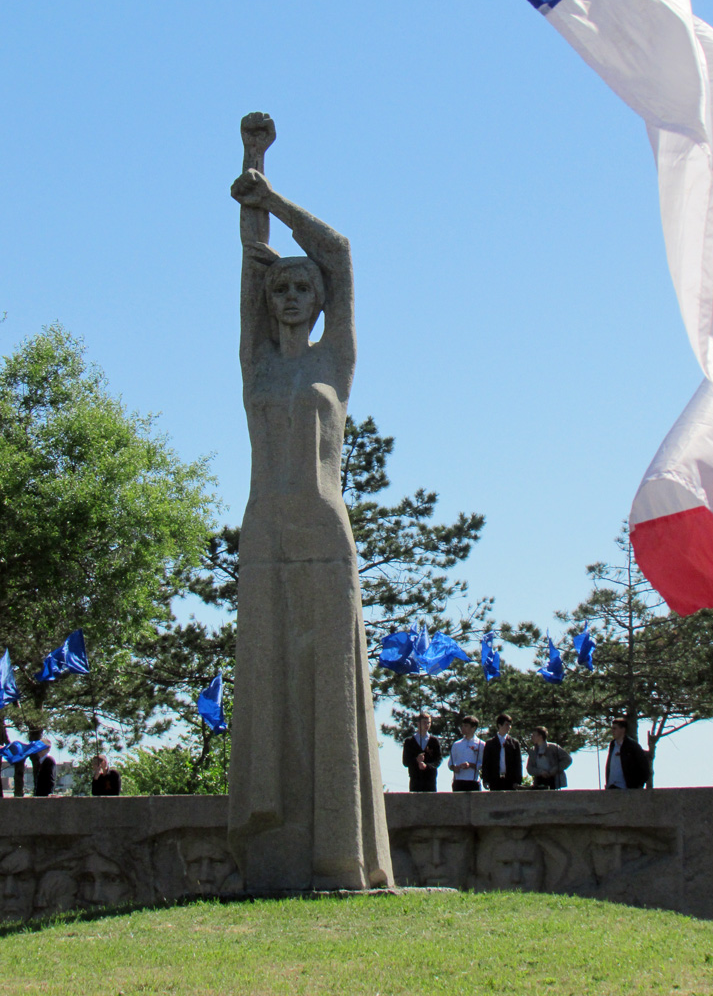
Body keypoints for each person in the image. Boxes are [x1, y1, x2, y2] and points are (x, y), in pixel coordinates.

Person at [227, 113, 392, 892]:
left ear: (321, 303)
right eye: (280, 289)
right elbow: (249, 257)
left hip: (325, 535)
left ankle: (340, 857)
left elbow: (341, 253)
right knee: (268, 693)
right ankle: (267, 854)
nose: (290, 295)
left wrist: (274, 190)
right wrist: (248, 170)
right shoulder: (256, 366)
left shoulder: (335, 360)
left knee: (327, 691)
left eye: (302, 288)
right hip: (264, 532)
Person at [481, 713, 523, 791]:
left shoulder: (514, 743)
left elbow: (518, 763)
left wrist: (518, 780)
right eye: (506, 725)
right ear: (499, 725)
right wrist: (486, 780)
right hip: (494, 780)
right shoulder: (490, 743)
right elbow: (486, 763)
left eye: (510, 725)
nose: (509, 727)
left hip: (510, 781)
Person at [402, 713, 442, 792]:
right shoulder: (409, 742)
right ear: (418, 724)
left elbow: (438, 760)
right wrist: (416, 760)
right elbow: (405, 762)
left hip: (430, 779)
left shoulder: (434, 741)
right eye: (424, 722)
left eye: (429, 723)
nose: (427, 725)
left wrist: (426, 766)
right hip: (415, 779)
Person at [605, 718, 650, 789]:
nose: (612, 731)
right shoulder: (612, 745)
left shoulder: (632, 746)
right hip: (611, 787)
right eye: (612, 728)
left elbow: (644, 767)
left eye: (615, 728)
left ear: (623, 729)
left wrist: (637, 785)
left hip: (626, 788)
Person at [447, 715, 484, 791]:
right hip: (458, 782)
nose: (463, 728)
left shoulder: (481, 744)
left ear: (473, 728)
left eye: (466, 726)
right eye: (462, 726)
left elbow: (483, 764)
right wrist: (455, 768)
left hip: (473, 781)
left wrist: (470, 765)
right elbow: (450, 763)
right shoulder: (457, 744)